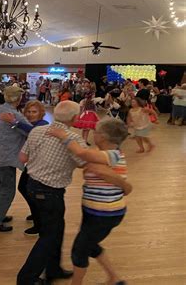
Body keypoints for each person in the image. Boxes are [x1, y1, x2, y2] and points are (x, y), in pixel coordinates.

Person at [16, 101, 123, 285]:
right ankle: (27, 279)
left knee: (55, 229)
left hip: (31, 185)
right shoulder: (74, 139)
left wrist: (40, 162)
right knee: (49, 235)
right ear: (74, 118)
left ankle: (53, 269)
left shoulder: (36, 131)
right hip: (50, 192)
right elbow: (86, 164)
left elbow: (23, 157)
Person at [48, 118, 132, 285]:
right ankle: (114, 278)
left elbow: (81, 153)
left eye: (96, 131)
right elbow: (82, 159)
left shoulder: (112, 155)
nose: (93, 133)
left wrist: (63, 135)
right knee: (90, 244)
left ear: (104, 137)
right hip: (93, 211)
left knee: (79, 251)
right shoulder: (100, 153)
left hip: (106, 214)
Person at [0, 86, 29, 232]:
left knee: (2, 186)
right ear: (19, 98)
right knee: (8, 190)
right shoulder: (15, 116)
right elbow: (32, 132)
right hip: (4, 158)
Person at [0, 100, 49, 235]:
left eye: (34, 112)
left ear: (41, 113)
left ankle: (39, 223)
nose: (31, 114)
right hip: (33, 163)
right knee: (26, 188)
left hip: (40, 164)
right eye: (28, 111)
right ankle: (37, 214)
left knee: (28, 189)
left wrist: (15, 122)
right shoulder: (28, 124)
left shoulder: (42, 124)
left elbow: (33, 131)